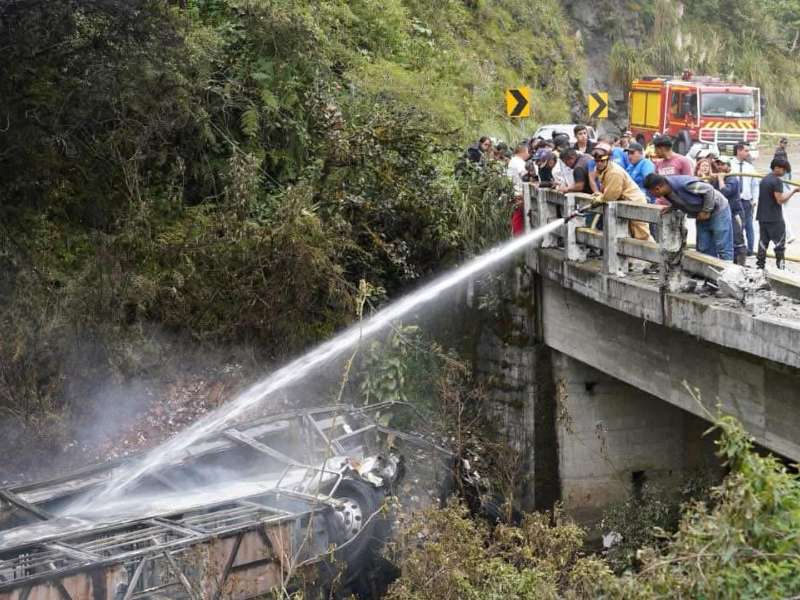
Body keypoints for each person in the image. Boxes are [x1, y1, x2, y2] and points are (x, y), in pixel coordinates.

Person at [644, 174, 733, 261]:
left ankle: (729, 272)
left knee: (723, 244)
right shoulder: (667, 189)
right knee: (704, 246)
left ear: (657, 188)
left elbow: (709, 190)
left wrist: (706, 210)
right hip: (700, 213)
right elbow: (681, 198)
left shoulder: (684, 184)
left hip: (718, 209)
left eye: (651, 192)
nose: (652, 195)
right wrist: (673, 207)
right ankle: (709, 273)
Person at [592, 143, 650, 240]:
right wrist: (601, 194)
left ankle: (651, 255)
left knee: (641, 234)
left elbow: (611, 196)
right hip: (624, 201)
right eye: (597, 161)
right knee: (627, 234)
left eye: (602, 161)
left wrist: (601, 198)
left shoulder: (614, 172)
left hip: (634, 202)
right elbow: (607, 187)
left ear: (608, 159)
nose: (599, 163)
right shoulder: (601, 169)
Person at [756, 157, 799, 269]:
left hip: (762, 217)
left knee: (762, 243)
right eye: (783, 169)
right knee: (779, 245)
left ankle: (760, 267)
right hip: (774, 218)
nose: (784, 172)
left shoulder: (764, 179)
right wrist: (793, 191)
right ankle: (781, 268)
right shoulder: (777, 181)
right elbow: (780, 199)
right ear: (777, 168)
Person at [712, 156, 747, 265]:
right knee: (726, 240)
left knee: (738, 239)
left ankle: (741, 266)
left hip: (735, 214)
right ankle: (729, 264)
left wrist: (721, 179)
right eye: (719, 164)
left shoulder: (732, 179)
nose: (720, 167)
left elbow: (725, 192)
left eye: (723, 164)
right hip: (722, 214)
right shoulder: (717, 179)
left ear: (728, 166)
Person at [730, 143, 759, 255]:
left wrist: (755, 199)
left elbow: (755, 185)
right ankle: (737, 249)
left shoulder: (750, 167)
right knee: (737, 226)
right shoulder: (730, 165)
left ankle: (750, 250)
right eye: (746, 151)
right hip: (734, 201)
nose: (748, 153)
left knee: (749, 226)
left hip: (747, 201)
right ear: (739, 150)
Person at [507, 142, 530, 237]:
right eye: (528, 152)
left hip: (513, 191)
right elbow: (524, 176)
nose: (528, 154)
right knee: (519, 216)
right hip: (518, 193)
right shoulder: (519, 162)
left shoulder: (512, 161)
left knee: (517, 216)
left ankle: (517, 236)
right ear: (523, 151)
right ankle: (519, 237)